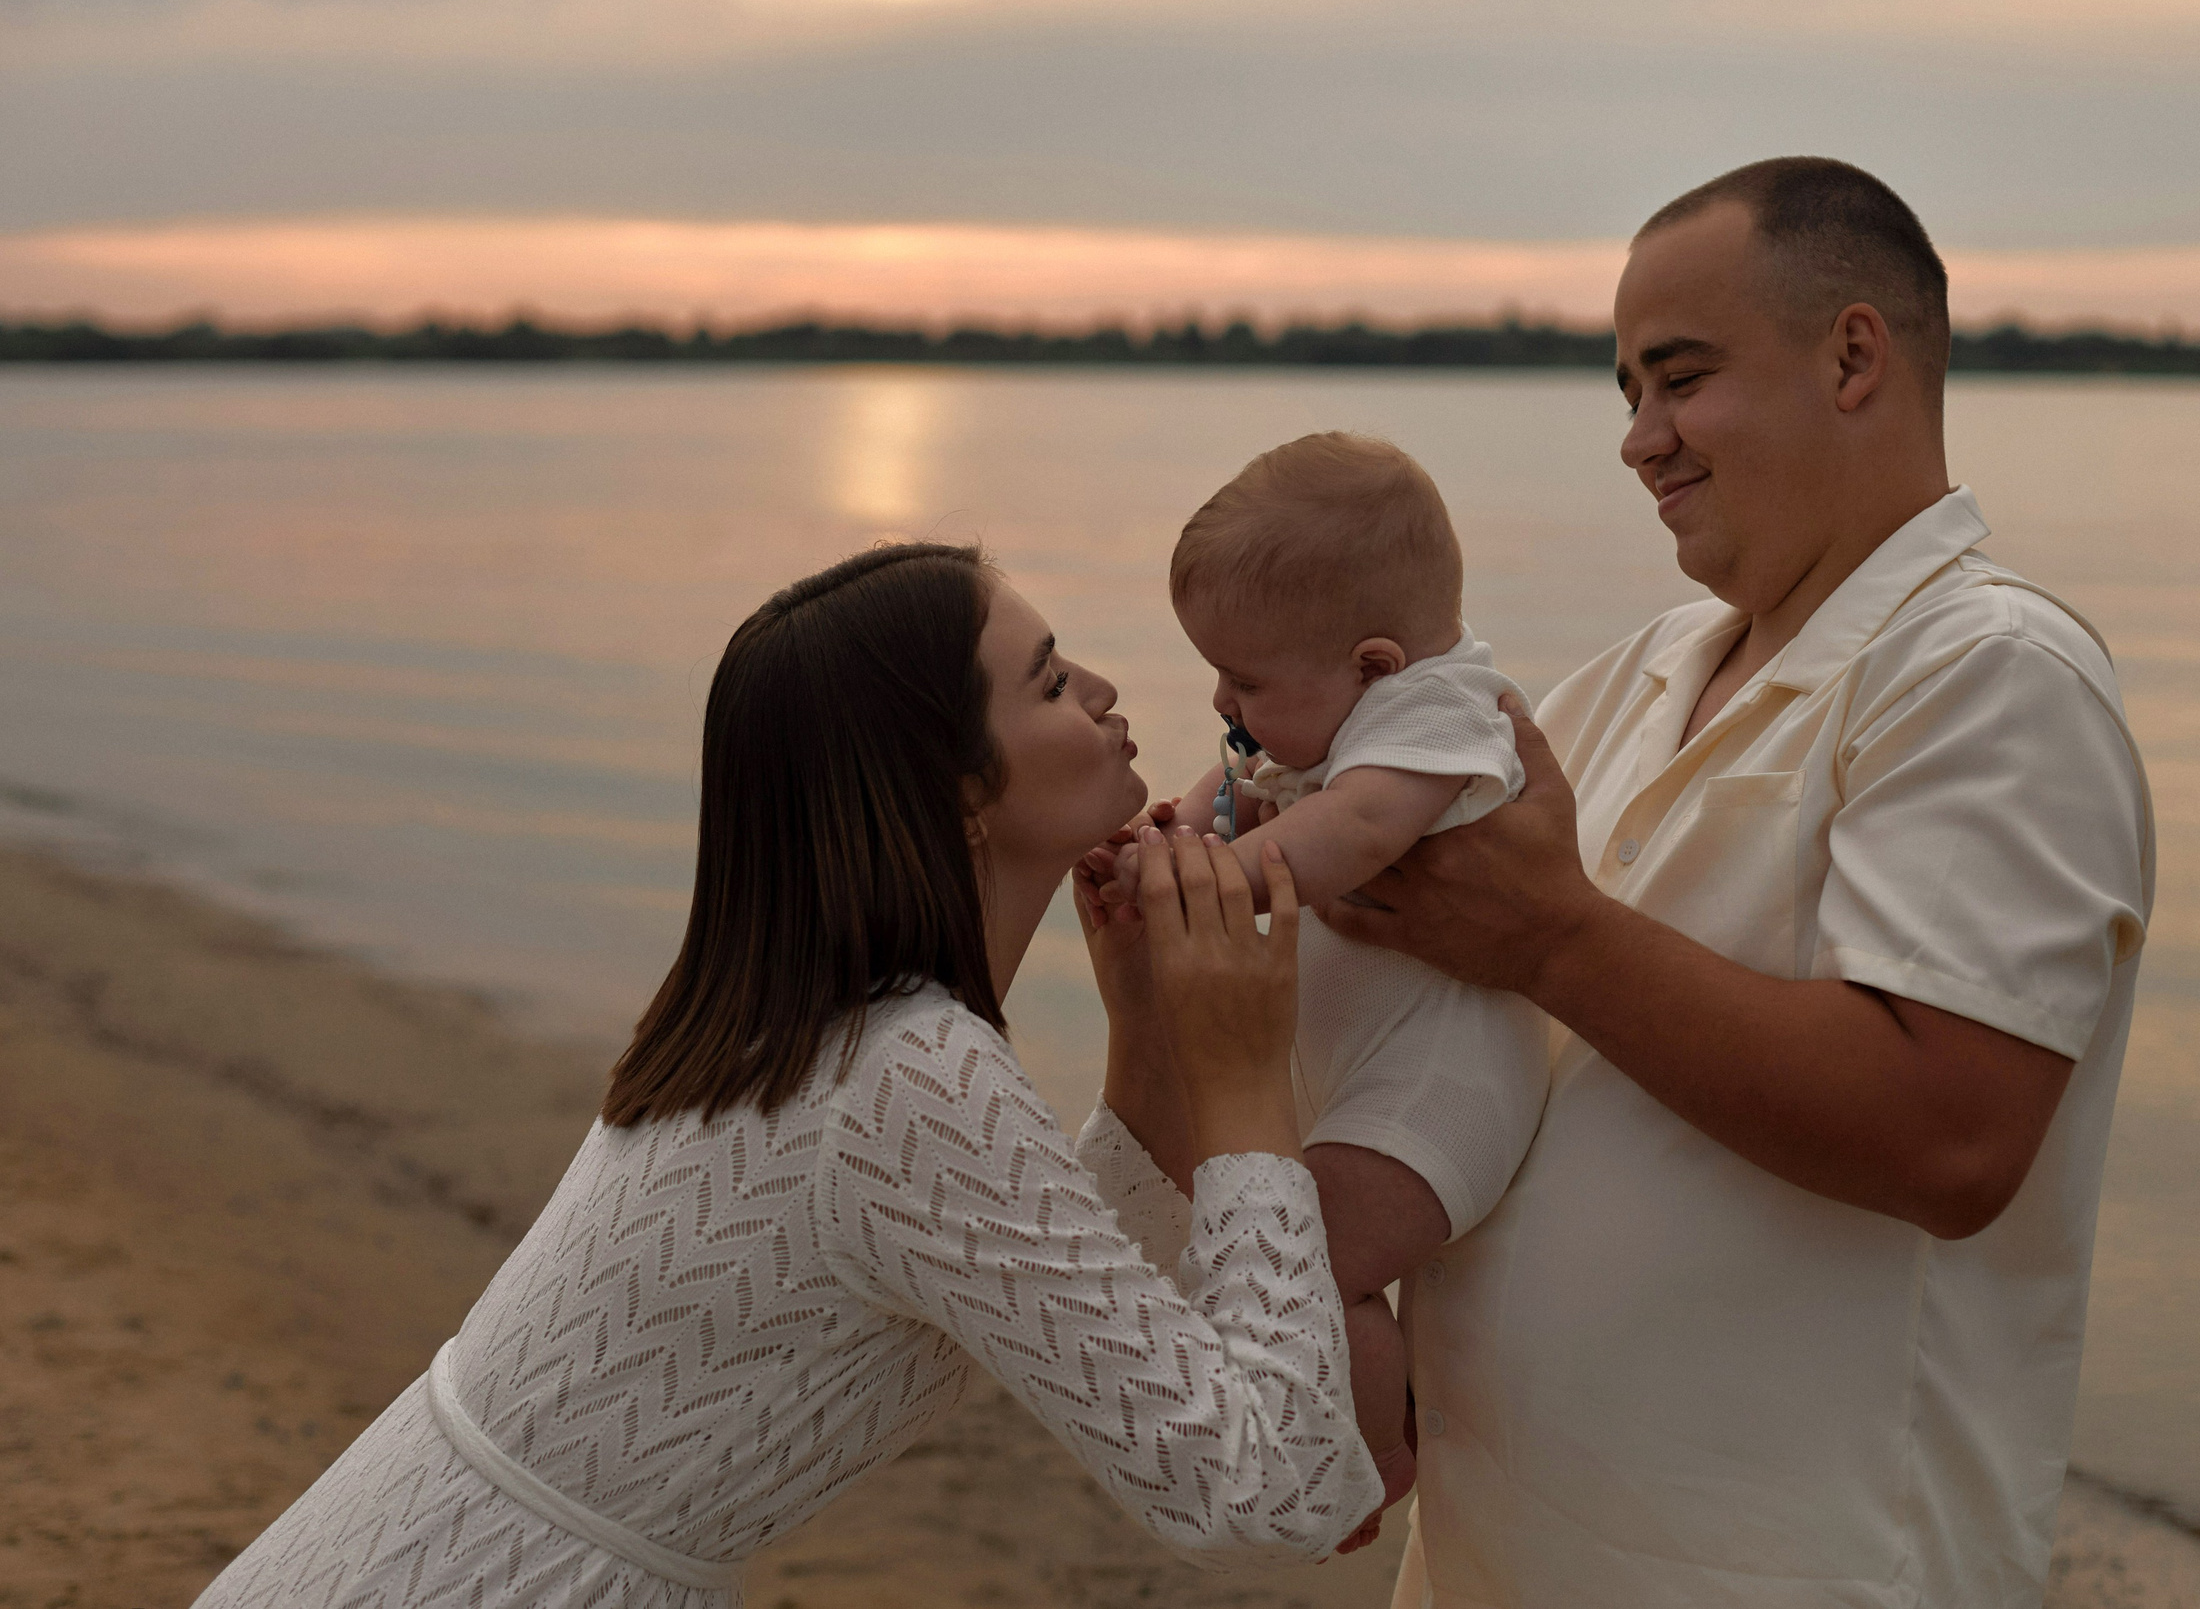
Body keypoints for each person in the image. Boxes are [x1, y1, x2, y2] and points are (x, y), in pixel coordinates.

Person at [193, 542, 1383, 1608]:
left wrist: (1148, 1029)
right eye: (1053, 678)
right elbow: (1267, 1493)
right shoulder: (902, 1071)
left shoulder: (820, 1034)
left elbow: (1035, 1288)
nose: (1106, 692)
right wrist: (1243, 1083)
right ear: (959, 787)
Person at [1321, 158, 2157, 1606]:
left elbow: (1948, 1134)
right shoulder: (1643, 673)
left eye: (1681, 378)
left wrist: (1555, 936)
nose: (1641, 441)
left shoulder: (1988, 673)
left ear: (1853, 356)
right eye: (1628, 393)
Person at [1088, 433, 1551, 1543]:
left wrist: (1210, 880)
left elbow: (1350, 830)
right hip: (1368, 1084)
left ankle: (1371, 1449)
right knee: (1297, 1260)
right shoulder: (1333, 714)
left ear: (1376, 665)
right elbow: (1245, 781)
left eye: (1244, 679)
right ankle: (1367, 1410)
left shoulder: (1443, 717)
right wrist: (1178, 830)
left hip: (1441, 1089)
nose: (1221, 697)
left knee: (1307, 1265)